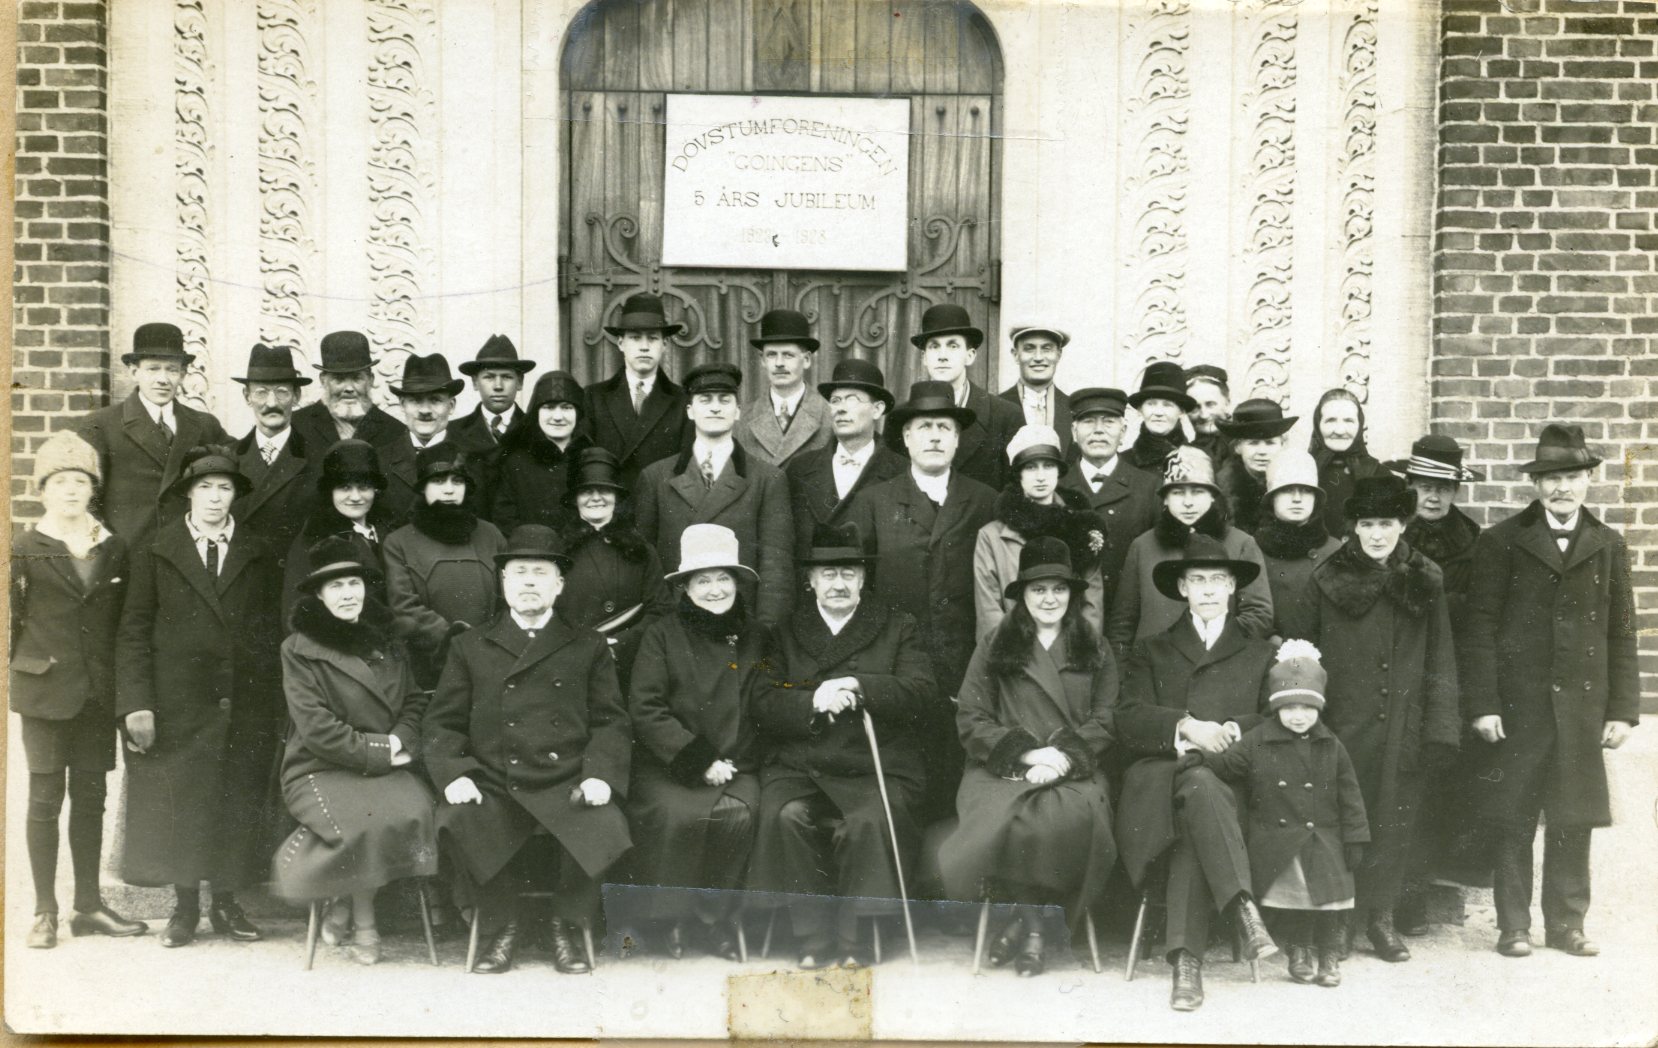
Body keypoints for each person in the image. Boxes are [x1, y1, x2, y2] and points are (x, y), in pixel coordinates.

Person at [1462, 423, 1639, 959]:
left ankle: (1566, 923)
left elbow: (1622, 632)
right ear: (1536, 485)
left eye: (1571, 477)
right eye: (1550, 479)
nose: (1561, 488)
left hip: (1582, 707)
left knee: (1573, 814)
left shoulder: (1608, 545)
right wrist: (1485, 704)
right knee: (1512, 814)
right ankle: (1513, 925)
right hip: (1520, 706)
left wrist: (1623, 711)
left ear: (1589, 480)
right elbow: (1480, 628)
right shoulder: (1501, 542)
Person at [423, 524, 632, 975]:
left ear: (559, 585)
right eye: (519, 572)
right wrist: (455, 773)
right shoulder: (469, 644)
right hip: (497, 779)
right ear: (503, 583)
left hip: (567, 777)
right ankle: (503, 925)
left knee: (604, 819)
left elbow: (611, 720)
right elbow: (442, 722)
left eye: (541, 572)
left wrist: (601, 774)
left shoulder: (589, 644)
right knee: (459, 816)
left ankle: (567, 925)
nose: (530, 582)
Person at [748, 523, 937, 967]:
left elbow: (922, 691)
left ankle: (860, 940)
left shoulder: (897, 626)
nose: (838, 583)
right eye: (827, 573)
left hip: (877, 763)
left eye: (848, 573)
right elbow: (762, 700)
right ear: (810, 580)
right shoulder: (785, 631)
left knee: (867, 820)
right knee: (787, 815)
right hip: (801, 763)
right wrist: (814, 699)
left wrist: (859, 684)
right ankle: (812, 938)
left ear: (863, 579)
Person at [116, 446, 284, 948]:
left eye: (225, 487)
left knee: (235, 802)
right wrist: (136, 703)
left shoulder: (255, 550)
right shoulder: (157, 549)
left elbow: (269, 628)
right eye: (206, 487)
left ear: (236, 495)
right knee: (184, 805)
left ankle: (227, 904)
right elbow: (133, 630)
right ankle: (185, 908)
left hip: (243, 701)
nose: (215, 497)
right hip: (178, 702)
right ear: (189, 493)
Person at [1113, 535, 1279, 1011]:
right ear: (1182, 588)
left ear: (1233, 588)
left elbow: (1272, 718)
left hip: (1230, 783)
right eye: (1198, 580)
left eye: (1218, 580)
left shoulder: (1258, 651)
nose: (1208, 589)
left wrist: (1228, 728)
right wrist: (1185, 726)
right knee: (1196, 790)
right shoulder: (1151, 650)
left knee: (1198, 808)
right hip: (1160, 783)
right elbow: (1126, 716)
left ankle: (1187, 963)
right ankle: (1242, 908)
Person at [941, 537, 1118, 977]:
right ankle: (1035, 925)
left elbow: (1108, 717)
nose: (1049, 599)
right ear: (1022, 595)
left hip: (1074, 770)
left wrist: (1062, 756)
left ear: (1072, 595)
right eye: (1038, 590)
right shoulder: (995, 643)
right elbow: (972, 715)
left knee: (1066, 818)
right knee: (1009, 819)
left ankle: (1022, 925)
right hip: (1003, 768)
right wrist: (1027, 753)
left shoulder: (1093, 644)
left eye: (1059, 589)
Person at [1303, 474, 1459, 963]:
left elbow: (1441, 657)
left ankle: (1380, 918)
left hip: (1403, 726)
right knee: (1344, 822)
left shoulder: (1424, 576)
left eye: (1387, 523)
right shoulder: (1327, 579)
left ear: (1403, 524)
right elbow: (1306, 656)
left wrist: (1439, 727)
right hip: (1344, 725)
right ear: (1353, 527)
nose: (1377, 535)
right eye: (1367, 524)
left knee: (1395, 821)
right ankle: (1339, 920)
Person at [270, 537, 437, 966]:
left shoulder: (389, 639)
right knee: (364, 823)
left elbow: (416, 701)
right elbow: (317, 728)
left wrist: (401, 739)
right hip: (320, 767)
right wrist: (383, 750)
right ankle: (364, 921)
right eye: (336, 586)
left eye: (354, 583)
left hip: (388, 761)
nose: (348, 594)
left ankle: (341, 896)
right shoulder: (299, 650)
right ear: (320, 596)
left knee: (414, 812)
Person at [11, 432, 147, 948]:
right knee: (45, 799)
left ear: (93, 489)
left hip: (96, 694)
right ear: (44, 490)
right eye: (61, 481)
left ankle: (88, 906)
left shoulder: (112, 546)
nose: (72, 490)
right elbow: (12, 622)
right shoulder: (25, 547)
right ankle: (45, 911)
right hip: (44, 694)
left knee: (91, 798)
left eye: (81, 481)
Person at [847, 380, 998, 821]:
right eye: (924, 427)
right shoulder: (874, 501)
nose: (934, 436)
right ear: (906, 437)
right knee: (904, 785)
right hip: (898, 669)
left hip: (966, 667)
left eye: (944, 427)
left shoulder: (985, 499)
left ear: (957, 438)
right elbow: (863, 590)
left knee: (959, 785)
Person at [624, 524, 768, 959]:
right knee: (677, 816)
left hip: (737, 762)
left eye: (723, 578)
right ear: (685, 589)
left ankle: (716, 919)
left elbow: (768, 701)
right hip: (671, 762)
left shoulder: (757, 635)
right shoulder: (662, 635)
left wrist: (734, 758)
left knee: (741, 814)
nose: (714, 589)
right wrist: (698, 759)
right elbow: (646, 708)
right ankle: (669, 920)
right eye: (702, 580)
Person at [1193, 640, 1368, 989]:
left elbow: (1351, 795)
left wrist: (1356, 836)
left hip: (1326, 837)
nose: (1298, 715)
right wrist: (1198, 757)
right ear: (1275, 709)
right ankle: (1299, 951)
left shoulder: (1331, 744)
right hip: (1281, 837)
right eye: (1289, 708)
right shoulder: (1258, 740)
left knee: (1330, 902)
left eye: (1307, 707)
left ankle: (1329, 955)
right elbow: (1227, 765)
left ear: (1319, 708)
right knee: (1299, 902)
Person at [1381, 434, 1486, 924]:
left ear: (1457, 491)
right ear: (1410, 486)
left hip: (1451, 678)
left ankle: (1421, 894)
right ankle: (1392, 898)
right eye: (1424, 485)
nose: (1434, 497)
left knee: (1438, 787)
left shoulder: (1476, 542)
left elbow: (1482, 618)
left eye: (1444, 487)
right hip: (1396, 674)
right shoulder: (1388, 535)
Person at [634, 362, 795, 627]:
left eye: (725, 399)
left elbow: (776, 565)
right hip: (675, 625)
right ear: (690, 410)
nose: (716, 407)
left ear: (738, 411)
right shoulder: (655, 477)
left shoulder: (768, 478)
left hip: (743, 623)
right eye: (705, 399)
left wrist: (765, 631)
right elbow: (644, 567)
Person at [1107, 450, 1274, 658]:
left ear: (1213, 497)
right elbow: (1123, 623)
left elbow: (1259, 614)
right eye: (1177, 493)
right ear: (1165, 500)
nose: (1188, 502)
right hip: (1153, 669)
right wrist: (1125, 677)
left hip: (1218, 663)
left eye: (1197, 492)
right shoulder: (1142, 546)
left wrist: (1210, 640)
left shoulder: (1241, 543)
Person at [75, 322, 231, 543]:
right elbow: (86, 500)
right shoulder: (101, 425)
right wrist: (106, 555)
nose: (163, 379)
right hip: (129, 558)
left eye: (172, 369)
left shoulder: (205, 425)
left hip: (187, 556)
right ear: (134, 371)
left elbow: (241, 465)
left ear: (183, 374)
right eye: (153, 368)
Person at [383, 446, 507, 689]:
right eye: (439, 481)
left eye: (457, 481)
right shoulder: (399, 542)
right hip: (430, 666)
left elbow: (509, 596)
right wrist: (457, 641)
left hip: (493, 660)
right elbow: (404, 607)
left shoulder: (490, 534)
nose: (449, 489)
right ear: (423, 488)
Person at [972, 424, 1107, 640]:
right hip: (1016, 655)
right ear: (1019, 475)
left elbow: (1092, 603)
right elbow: (990, 610)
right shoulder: (992, 537)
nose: (1041, 476)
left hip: (1070, 655)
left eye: (1048, 466)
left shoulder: (1080, 525)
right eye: (1031, 467)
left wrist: (1079, 652)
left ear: (1059, 471)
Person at [555, 447, 673, 688]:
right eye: (587, 491)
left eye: (605, 490)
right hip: (571, 661)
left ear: (616, 497)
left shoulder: (641, 549)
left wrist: (620, 643)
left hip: (630, 663)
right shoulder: (558, 549)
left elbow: (661, 609)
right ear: (575, 498)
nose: (596, 497)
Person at [784, 357, 907, 562]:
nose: (841, 408)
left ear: (877, 410)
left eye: (852, 399)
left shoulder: (902, 471)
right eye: (835, 400)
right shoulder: (800, 469)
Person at [895, 303, 1023, 491]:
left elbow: (1016, 491)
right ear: (924, 357)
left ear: (970, 356)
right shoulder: (902, 416)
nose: (942, 356)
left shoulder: (1006, 415)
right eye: (934, 346)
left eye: (953, 345)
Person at [1055, 387, 1161, 610]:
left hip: (1129, 613)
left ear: (1123, 432)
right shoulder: (1056, 485)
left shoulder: (1149, 486)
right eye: (1088, 422)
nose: (1098, 431)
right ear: (1074, 432)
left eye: (1108, 422)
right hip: (1070, 614)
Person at [582, 292, 694, 489]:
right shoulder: (593, 397)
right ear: (620, 343)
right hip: (609, 510)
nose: (644, 347)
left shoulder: (683, 401)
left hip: (660, 509)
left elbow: (685, 468)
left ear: (664, 344)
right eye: (635, 338)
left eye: (652, 338)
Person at [228, 343, 319, 571]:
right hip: (244, 584)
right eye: (261, 392)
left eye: (282, 392)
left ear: (296, 396)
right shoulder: (229, 458)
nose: (271, 403)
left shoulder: (318, 459)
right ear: (247, 396)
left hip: (295, 581)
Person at [283, 439, 392, 625]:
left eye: (364, 487)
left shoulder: (389, 531)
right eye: (345, 488)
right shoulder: (314, 538)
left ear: (375, 490)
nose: (356, 497)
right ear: (330, 492)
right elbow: (296, 611)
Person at [381, 353, 485, 526]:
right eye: (415, 400)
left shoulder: (476, 459)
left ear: (451, 406)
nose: (425, 410)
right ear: (402, 404)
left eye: (435, 400)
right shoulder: (381, 460)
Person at [487, 370, 592, 533]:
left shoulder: (592, 458)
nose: (558, 417)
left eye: (566, 407)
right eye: (549, 407)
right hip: (531, 554)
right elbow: (505, 521)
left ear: (577, 413)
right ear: (537, 413)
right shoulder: (515, 462)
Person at [1254, 449, 1341, 643]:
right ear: (1271, 499)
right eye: (1286, 490)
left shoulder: (1335, 551)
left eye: (1306, 491)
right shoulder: (1252, 549)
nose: (1297, 498)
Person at [735, 308, 832, 468]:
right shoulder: (742, 420)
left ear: (806, 359)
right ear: (762, 360)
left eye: (788, 355)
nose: (779, 363)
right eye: (772, 354)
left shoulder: (829, 415)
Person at [290, 329, 408, 453]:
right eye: (339, 379)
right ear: (323, 381)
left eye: (357, 378)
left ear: (371, 380)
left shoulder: (395, 431)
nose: (349, 388)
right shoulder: (297, 426)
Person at [1215, 398, 1298, 535]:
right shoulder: (1223, 489)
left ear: (1283, 445)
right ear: (1237, 447)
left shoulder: (1296, 484)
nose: (1262, 452)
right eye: (1253, 443)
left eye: (1270, 443)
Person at [1308, 387, 1380, 537]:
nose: (1340, 430)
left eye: (1349, 421)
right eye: (1330, 420)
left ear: (1359, 425)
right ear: (1318, 425)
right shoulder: (1301, 472)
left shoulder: (1379, 474)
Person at [450, 333, 536, 452]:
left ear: (520, 382)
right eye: (489, 377)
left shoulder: (536, 430)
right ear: (475, 383)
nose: (498, 386)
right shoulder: (452, 431)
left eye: (506, 377)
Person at [998, 324, 1073, 452]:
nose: (1038, 357)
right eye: (1029, 349)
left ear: (1058, 355)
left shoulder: (1075, 410)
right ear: (1016, 355)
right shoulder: (995, 408)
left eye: (1047, 349)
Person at [1122, 361, 1198, 474]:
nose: (1158, 412)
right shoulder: (1122, 463)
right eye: (1151, 404)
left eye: (1167, 405)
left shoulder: (1199, 460)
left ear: (1181, 411)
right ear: (1140, 409)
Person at [1184, 364, 1233, 468]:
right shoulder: (1184, 456)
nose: (1204, 415)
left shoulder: (1246, 448)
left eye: (1210, 404)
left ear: (1227, 403)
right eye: (1195, 407)